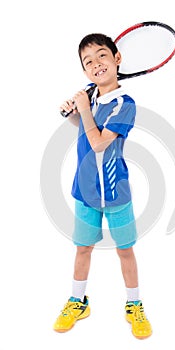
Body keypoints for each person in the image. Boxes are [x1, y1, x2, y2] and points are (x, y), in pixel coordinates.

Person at [53, 33, 152, 339]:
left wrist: (83, 108)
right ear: (85, 71)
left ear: (117, 58)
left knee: (125, 251)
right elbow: (83, 127)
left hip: (115, 192)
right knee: (83, 249)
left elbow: (98, 144)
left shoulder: (125, 103)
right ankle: (77, 301)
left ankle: (134, 305)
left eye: (101, 56)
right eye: (88, 61)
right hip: (85, 191)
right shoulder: (89, 94)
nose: (96, 64)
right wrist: (71, 112)